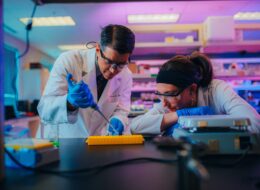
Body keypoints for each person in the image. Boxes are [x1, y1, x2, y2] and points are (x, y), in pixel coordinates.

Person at [37, 24, 135, 138]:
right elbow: (44, 110)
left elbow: (122, 109)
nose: (113, 70)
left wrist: (118, 119)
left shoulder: (126, 75)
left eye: (121, 64)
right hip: (62, 140)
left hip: (95, 142)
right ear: (98, 49)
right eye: (109, 61)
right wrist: (69, 102)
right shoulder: (69, 61)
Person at [130, 52, 260, 135]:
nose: (163, 102)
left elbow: (254, 124)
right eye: (160, 94)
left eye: (169, 94)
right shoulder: (167, 103)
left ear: (192, 89)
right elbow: (135, 127)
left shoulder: (217, 90)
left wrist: (209, 126)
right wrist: (178, 115)